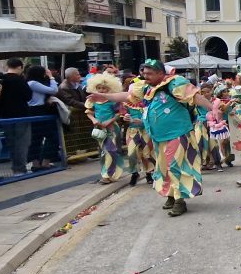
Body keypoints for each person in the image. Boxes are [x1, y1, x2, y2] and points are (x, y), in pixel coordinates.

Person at [88, 59, 215, 216]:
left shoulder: (175, 83)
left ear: (161, 73)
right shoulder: (146, 87)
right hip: (159, 136)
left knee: (175, 167)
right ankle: (170, 195)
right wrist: (101, 95)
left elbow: (195, 97)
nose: (145, 76)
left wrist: (213, 108)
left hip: (178, 133)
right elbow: (126, 96)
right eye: (144, 72)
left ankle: (179, 200)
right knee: (162, 168)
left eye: (149, 73)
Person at [84, 73, 124, 184]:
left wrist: (109, 121)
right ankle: (106, 173)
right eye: (99, 88)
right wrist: (94, 120)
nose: (101, 90)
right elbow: (89, 112)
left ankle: (108, 175)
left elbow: (118, 114)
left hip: (112, 128)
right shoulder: (93, 100)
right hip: (99, 129)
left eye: (104, 88)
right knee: (103, 151)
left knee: (111, 150)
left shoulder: (113, 100)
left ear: (109, 89)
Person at [0, 58, 33, 174]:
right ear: (20, 67)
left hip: (5, 116)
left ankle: (15, 167)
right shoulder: (20, 80)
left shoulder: (0, 80)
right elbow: (28, 96)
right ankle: (20, 168)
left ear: (7, 66)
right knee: (22, 142)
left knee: (11, 142)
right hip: (21, 115)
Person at [25, 65, 60, 170]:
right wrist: (52, 77)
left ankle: (38, 162)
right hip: (37, 110)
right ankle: (42, 162)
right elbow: (54, 90)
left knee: (37, 138)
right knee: (51, 136)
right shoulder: (33, 83)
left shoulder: (34, 83)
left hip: (39, 110)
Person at [121, 77, 155, 187]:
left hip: (146, 131)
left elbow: (154, 116)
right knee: (131, 153)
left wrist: (143, 121)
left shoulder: (150, 102)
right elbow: (123, 113)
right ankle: (134, 173)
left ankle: (149, 173)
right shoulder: (127, 102)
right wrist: (125, 117)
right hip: (132, 131)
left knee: (146, 153)